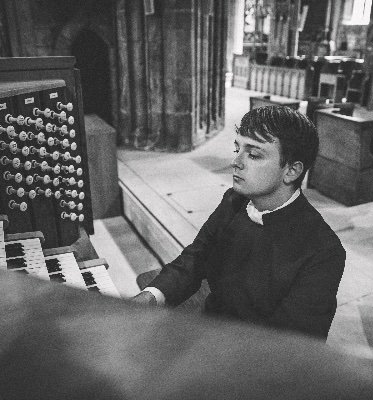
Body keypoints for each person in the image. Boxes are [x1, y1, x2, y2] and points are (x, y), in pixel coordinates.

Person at [132, 106, 346, 340]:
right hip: (209, 328)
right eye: (237, 149)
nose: (236, 161)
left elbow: (290, 347)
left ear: (292, 171)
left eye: (253, 155)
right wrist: (151, 296)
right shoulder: (234, 201)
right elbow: (196, 257)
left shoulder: (324, 252)